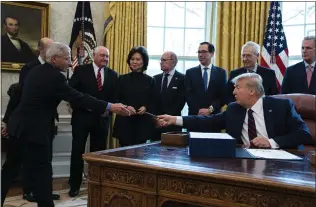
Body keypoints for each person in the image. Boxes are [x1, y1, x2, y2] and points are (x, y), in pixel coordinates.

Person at [1, 42, 130, 207]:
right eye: (67, 58)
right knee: (42, 172)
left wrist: (8, 122)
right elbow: (78, 97)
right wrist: (110, 106)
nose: (70, 62)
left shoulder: (36, 71)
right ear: (55, 59)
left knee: (9, 170)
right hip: (35, 131)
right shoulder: (54, 77)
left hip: (18, 127)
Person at [158, 73, 313, 149]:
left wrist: (271, 142)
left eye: (238, 88)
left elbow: (303, 134)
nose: (234, 93)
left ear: (252, 91)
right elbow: (208, 121)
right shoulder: (234, 109)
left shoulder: (282, 106)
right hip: (243, 161)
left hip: (279, 162)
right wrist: (176, 119)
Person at [1, 37, 60, 202]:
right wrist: (7, 121)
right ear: (42, 50)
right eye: (51, 48)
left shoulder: (54, 69)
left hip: (45, 122)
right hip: (26, 124)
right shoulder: (30, 68)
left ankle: (43, 193)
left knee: (44, 161)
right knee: (18, 163)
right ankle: (29, 191)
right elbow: (18, 96)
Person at [68, 46, 118, 197]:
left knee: (98, 154)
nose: (105, 59)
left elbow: (115, 97)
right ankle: (74, 185)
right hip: (81, 118)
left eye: (107, 56)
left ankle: (96, 184)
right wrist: (85, 107)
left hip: (102, 120)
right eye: (102, 55)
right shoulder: (81, 70)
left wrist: (108, 110)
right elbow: (71, 92)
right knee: (77, 152)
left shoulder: (113, 75)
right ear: (94, 55)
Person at [113, 46, 156, 146]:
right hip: (125, 121)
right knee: (124, 154)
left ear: (144, 61)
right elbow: (115, 98)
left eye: (138, 59)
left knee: (139, 156)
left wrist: (146, 107)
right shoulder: (122, 79)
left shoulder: (150, 80)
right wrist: (126, 107)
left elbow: (154, 100)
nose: (134, 62)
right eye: (132, 59)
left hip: (142, 123)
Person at [185, 42, 227, 119]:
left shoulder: (221, 73)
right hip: (194, 116)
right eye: (199, 52)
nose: (200, 55)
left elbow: (223, 96)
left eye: (204, 52)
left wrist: (210, 110)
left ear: (212, 54)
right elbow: (188, 95)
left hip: (214, 117)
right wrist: (200, 111)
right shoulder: (190, 72)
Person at [152, 51, 185, 141]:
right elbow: (152, 101)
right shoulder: (155, 79)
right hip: (157, 124)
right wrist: (156, 119)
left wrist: (167, 119)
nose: (161, 62)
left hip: (173, 125)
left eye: (164, 60)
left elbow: (180, 102)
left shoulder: (183, 79)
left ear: (173, 62)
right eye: (161, 60)